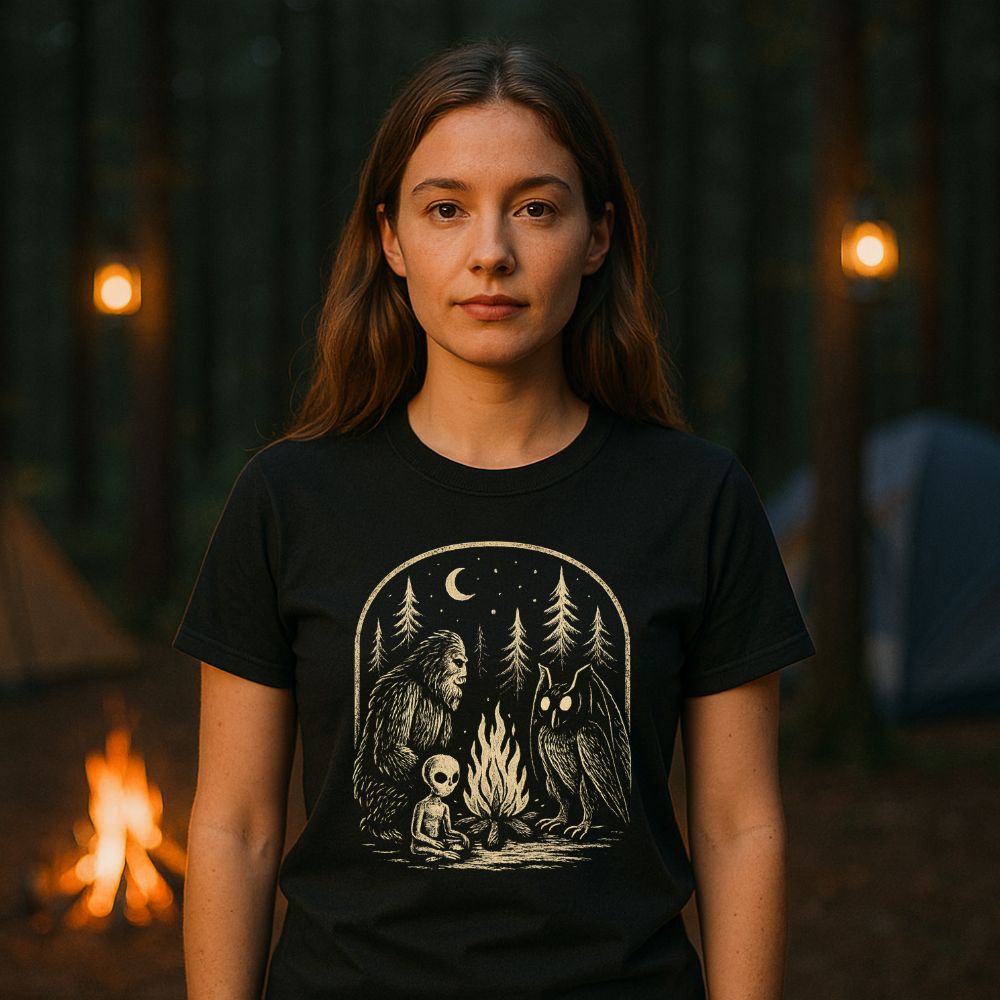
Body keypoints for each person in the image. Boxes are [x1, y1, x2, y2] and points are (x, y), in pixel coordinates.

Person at [174, 39, 815, 1000]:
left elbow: (739, 824)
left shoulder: (697, 497)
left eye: (536, 208)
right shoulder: (286, 497)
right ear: (391, 240)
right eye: (446, 209)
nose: (491, 253)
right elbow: (235, 825)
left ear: (597, 237)